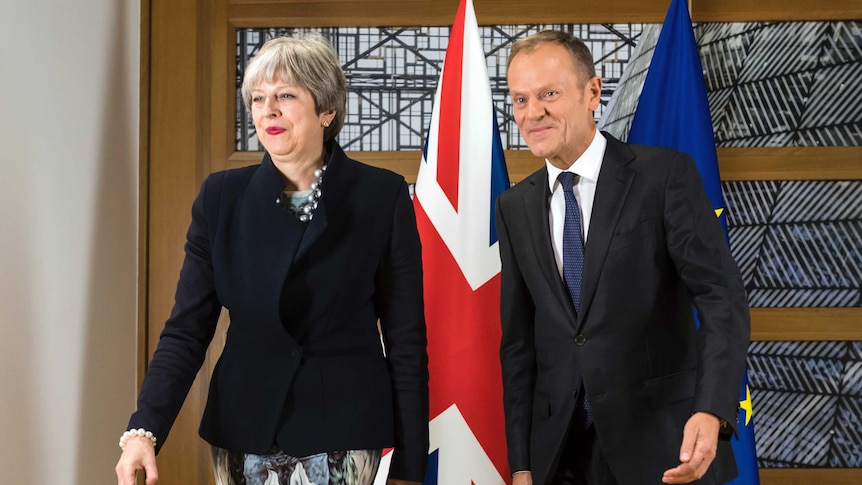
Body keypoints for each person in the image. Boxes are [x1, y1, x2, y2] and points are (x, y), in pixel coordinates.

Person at [115, 34, 429, 485]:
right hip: (244, 430)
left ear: (327, 110)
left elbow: (406, 342)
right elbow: (186, 330)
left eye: (286, 96)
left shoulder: (381, 196)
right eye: (258, 98)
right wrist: (143, 432)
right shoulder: (221, 198)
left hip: (344, 429)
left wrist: (410, 466)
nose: (269, 110)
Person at [496, 31, 750, 485]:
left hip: (665, 447)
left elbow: (721, 299)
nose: (532, 113)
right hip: (559, 455)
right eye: (519, 99)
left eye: (549, 94)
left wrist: (711, 410)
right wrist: (521, 465)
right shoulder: (514, 208)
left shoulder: (664, 176)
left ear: (592, 92)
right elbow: (518, 348)